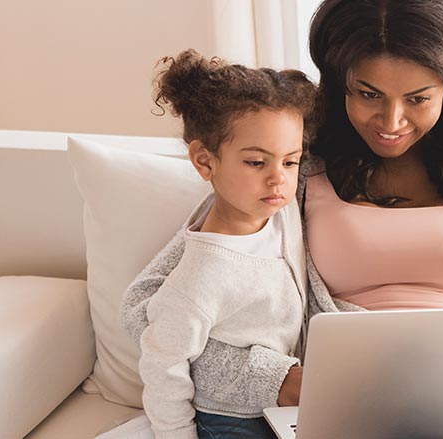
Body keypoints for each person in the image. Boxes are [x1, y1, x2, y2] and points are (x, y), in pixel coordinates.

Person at [122, 1, 443, 437]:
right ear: (339, 80)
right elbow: (146, 311)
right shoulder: (290, 167)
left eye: (418, 98)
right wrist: (278, 380)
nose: (392, 121)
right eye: (368, 94)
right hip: (348, 406)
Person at [126, 49, 316, 439]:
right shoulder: (200, 276)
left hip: (282, 408)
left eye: (290, 161)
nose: (278, 179)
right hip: (230, 419)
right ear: (205, 161)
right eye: (256, 163)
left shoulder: (280, 214)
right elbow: (163, 366)